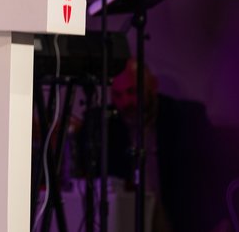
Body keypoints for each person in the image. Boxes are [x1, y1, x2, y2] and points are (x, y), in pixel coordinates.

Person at [80, 58, 230, 232]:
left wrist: (222, 217)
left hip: (181, 222)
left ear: (153, 85)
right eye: (117, 95)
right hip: (127, 223)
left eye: (133, 91)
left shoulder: (186, 118)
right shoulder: (103, 123)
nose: (126, 102)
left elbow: (217, 170)